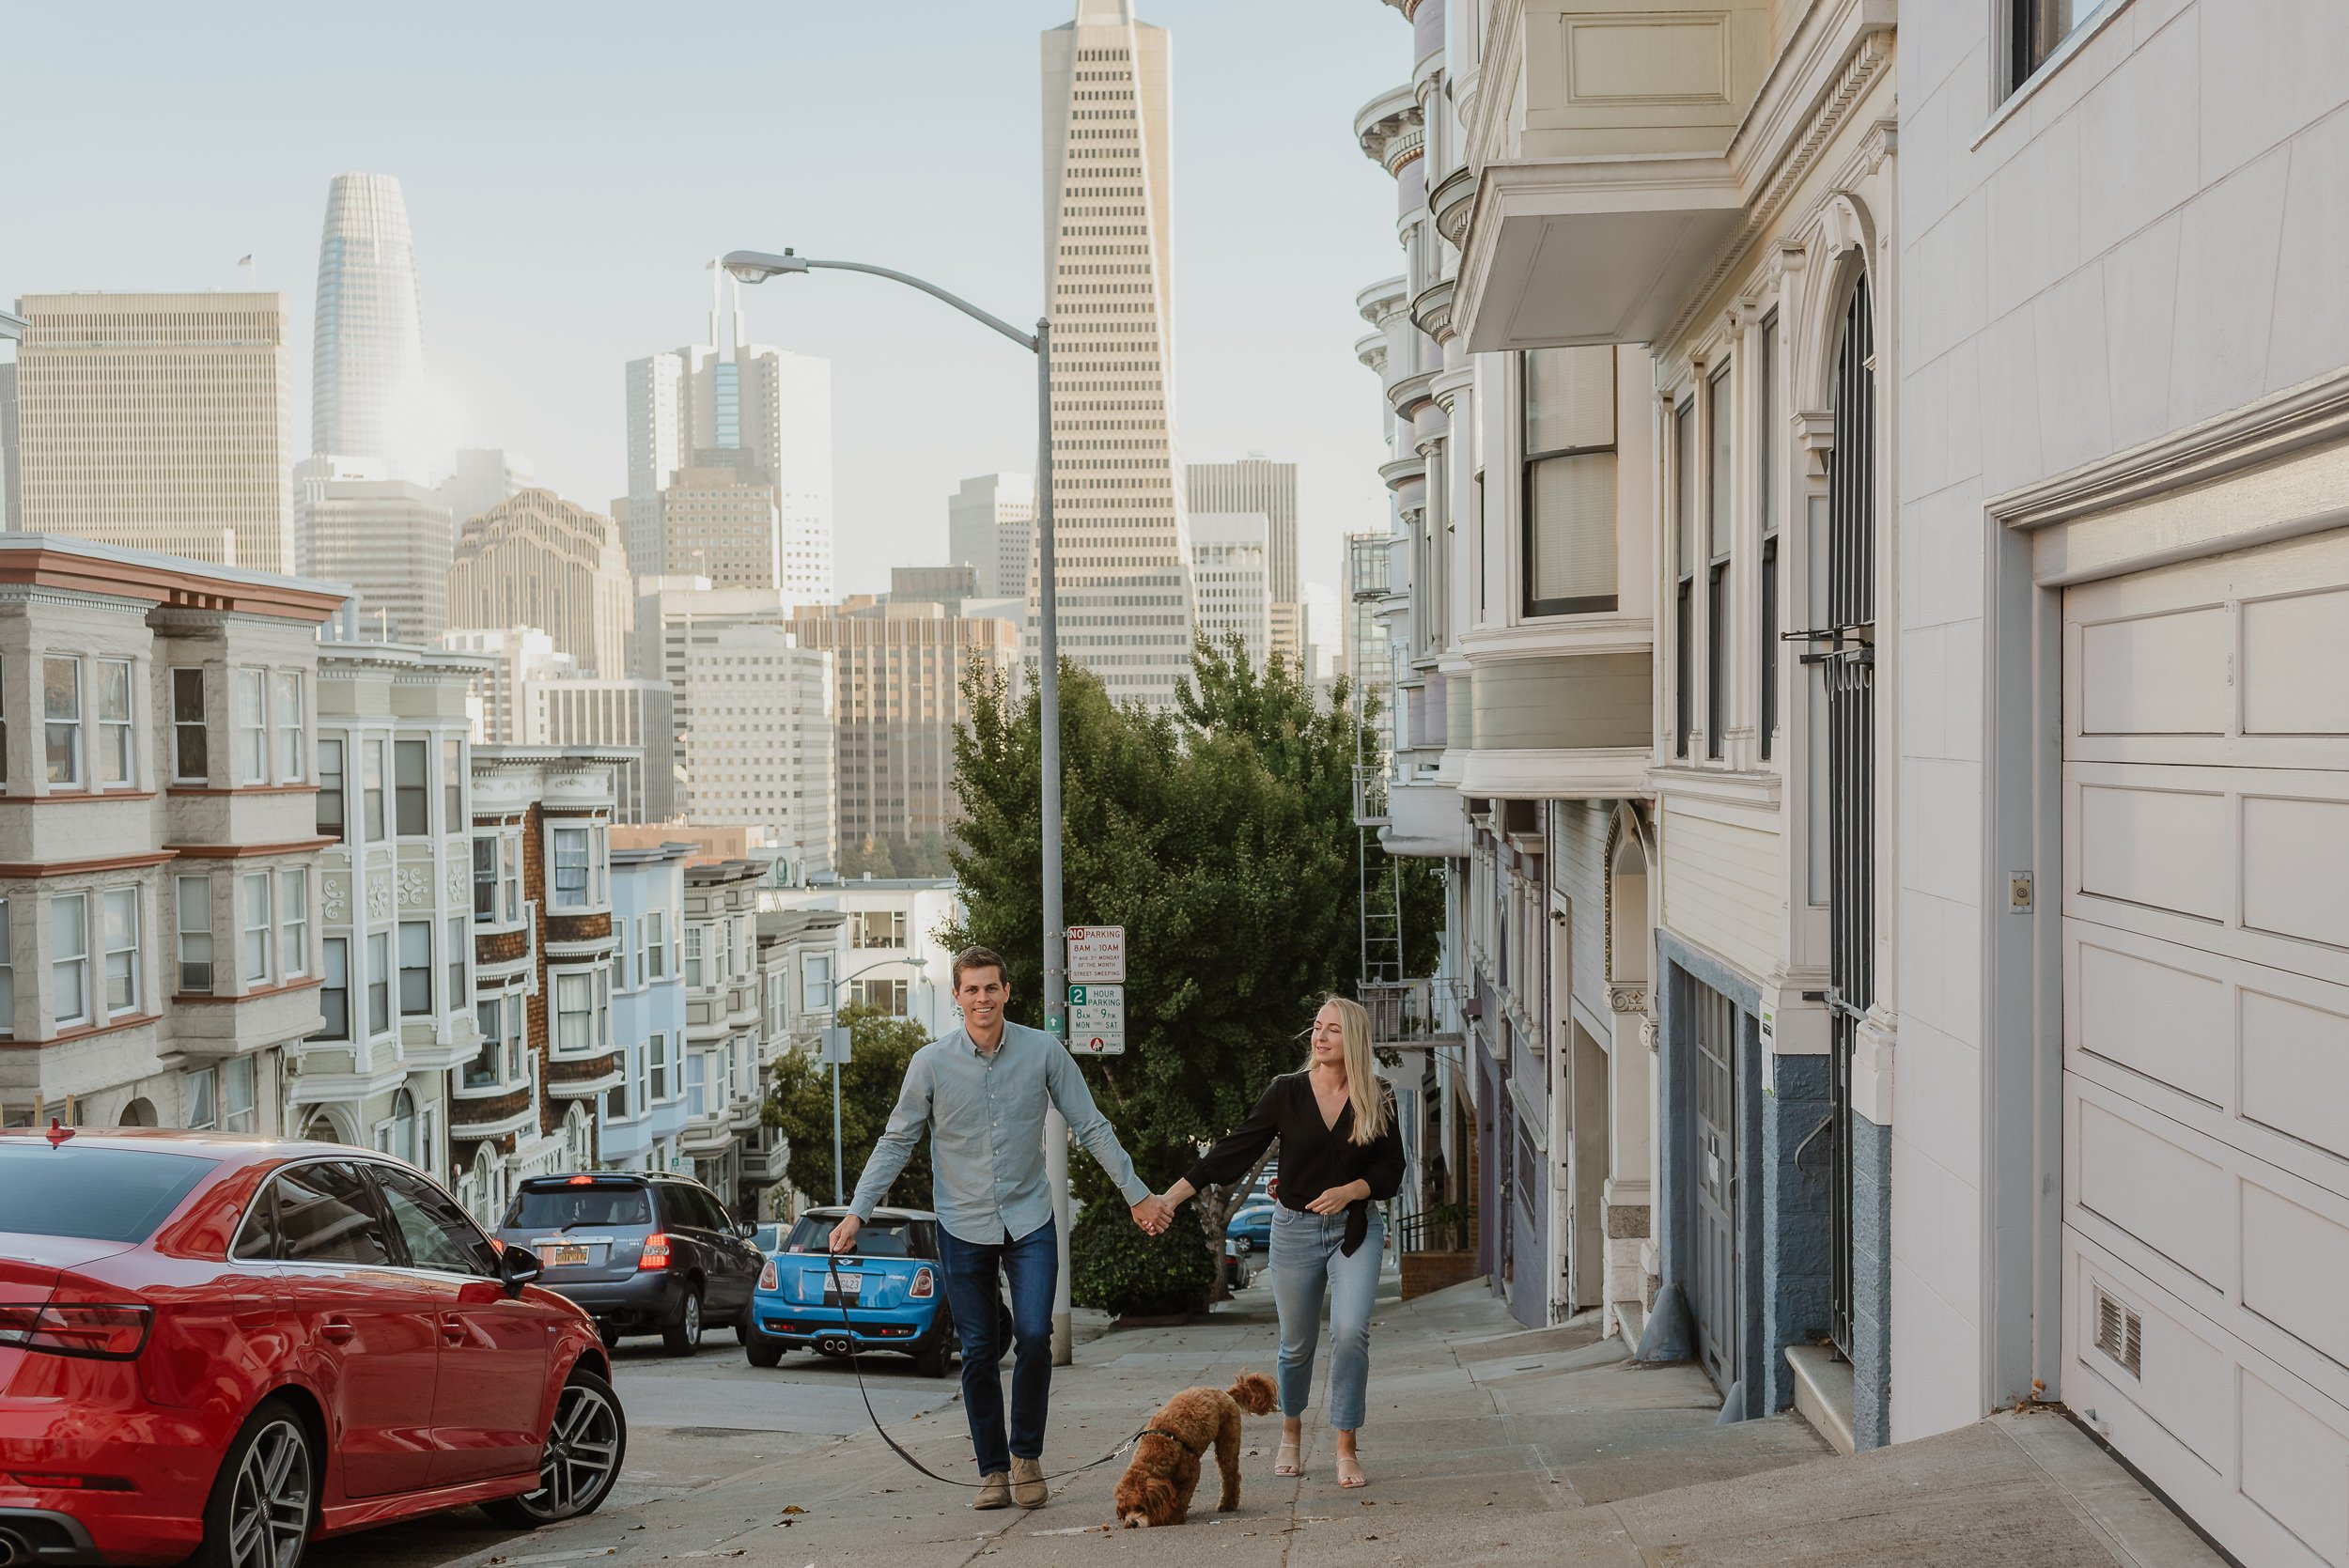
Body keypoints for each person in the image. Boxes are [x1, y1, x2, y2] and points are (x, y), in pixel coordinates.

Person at [831, 946, 1172, 1511]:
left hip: (1030, 1218)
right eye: (972, 989)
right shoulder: (930, 1064)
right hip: (962, 1225)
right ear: (957, 996)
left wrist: (1137, 1194)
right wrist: (856, 1212)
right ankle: (992, 1470)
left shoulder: (1043, 1051)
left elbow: (1090, 1123)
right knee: (979, 1350)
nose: (982, 998)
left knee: (1035, 1338)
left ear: (1007, 992)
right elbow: (897, 1141)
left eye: (992, 988)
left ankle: (1026, 1456)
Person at [1156, 995, 1402, 1489]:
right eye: (1317, 1026)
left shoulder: (1379, 1095)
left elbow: (1391, 1169)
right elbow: (1235, 1150)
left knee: (1351, 1333)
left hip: (1356, 1229)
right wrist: (1172, 1196)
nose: (1321, 1036)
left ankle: (1346, 1445)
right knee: (1295, 1346)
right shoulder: (1286, 1092)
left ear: (1352, 1037)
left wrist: (1353, 1189)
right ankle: (1290, 1432)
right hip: (1293, 1230)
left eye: (1333, 1029)